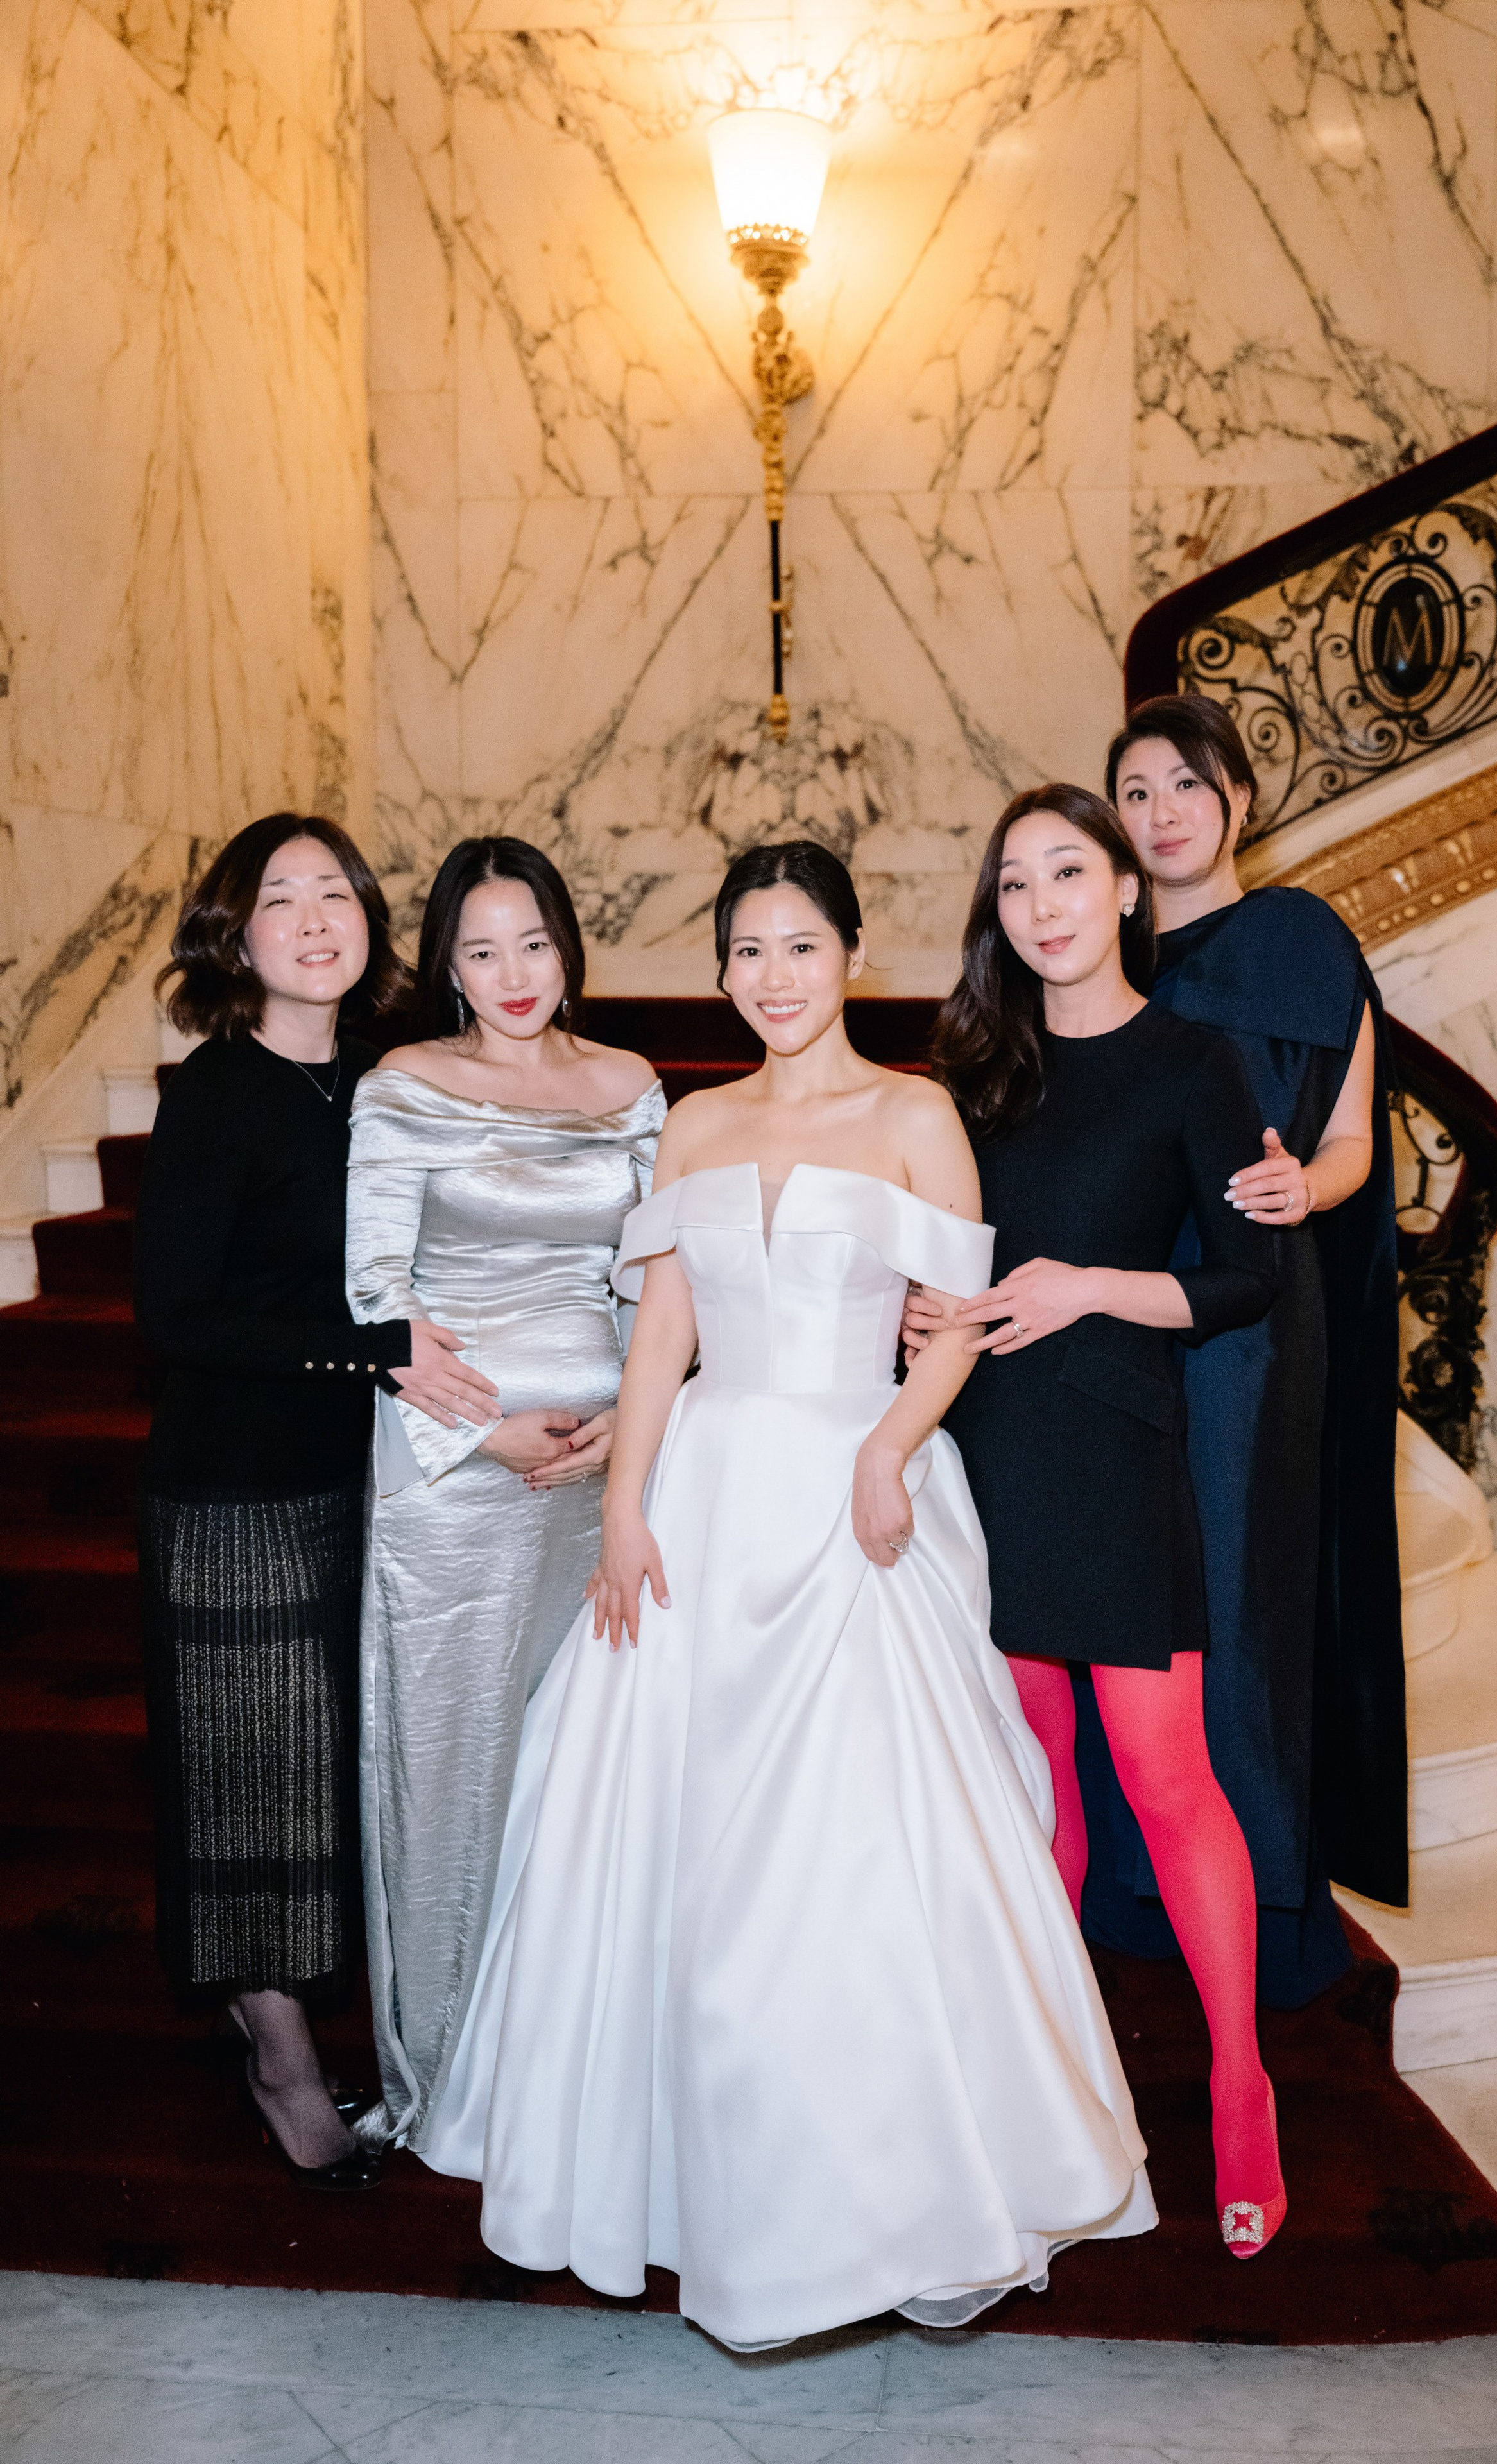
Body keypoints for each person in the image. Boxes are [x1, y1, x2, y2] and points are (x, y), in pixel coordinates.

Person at [416, 839, 1156, 2347]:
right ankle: (694, 2193)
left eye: (799, 947)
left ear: (850, 956)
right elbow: (660, 1338)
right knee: (668, 1844)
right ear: (722, 969)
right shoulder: (694, 1123)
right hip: (704, 1494)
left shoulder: (914, 1113)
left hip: (850, 1498)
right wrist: (623, 1506)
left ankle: (881, 2201)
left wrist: (888, 1447)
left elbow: (954, 1325)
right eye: (746, 951)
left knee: (854, 1851)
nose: (772, 977)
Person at [914, 782, 1288, 2255]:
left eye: (1066, 872)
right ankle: (1051, 2092)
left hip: (1118, 1453)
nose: (1041, 905)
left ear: (1125, 891)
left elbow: (1247, 1280)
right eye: (1013, 884)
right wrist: (919, 1312)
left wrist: (1084, 1288)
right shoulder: (971, 1074)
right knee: (1032, 1782)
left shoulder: (1194, 1062)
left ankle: (1239, 2080)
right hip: (986, 1450)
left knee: (1164, 1775)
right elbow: (933, 1257)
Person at [134, 813, 492, 2189]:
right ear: (236, 937)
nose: (314, 919)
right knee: (253, 1794)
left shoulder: (385, 1079)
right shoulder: (216, 1092)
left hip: (358, 1478)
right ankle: (285, 2071)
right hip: (232, 1493)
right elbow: (176, 1316)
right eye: (280, 899)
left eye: (333, 893)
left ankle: (274, 2020)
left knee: (321, 1779)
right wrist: (373, 1352)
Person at [344, 837, 663, 2151]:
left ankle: (558, 2075)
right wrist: (488, 1437)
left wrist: (632, 1427)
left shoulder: (630, 1086)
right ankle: (436, 2073)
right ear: (449, 968)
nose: (512, 973)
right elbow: (376, 1294)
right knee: (447, 1774)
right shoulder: (405, 1086)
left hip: (599, 1476)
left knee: (578, 1775)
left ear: (567, 946)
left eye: (532, 942)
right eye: (480, 951)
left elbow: (653, 1284)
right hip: (453, 1485)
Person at [1100, 693, 1405, 2007]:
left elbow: (1351, 1139)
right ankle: (1129, 1889)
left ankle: (1261, 1896)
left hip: (1252, 1330)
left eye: (1186, 782)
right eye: (1135, 792)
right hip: (1112, 1311)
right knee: (1124, 1603)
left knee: (1237, 1595)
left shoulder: (1301, 939)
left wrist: (1307, 1189)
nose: (1162, 812)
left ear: (1238, 796)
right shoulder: (1091, 944)